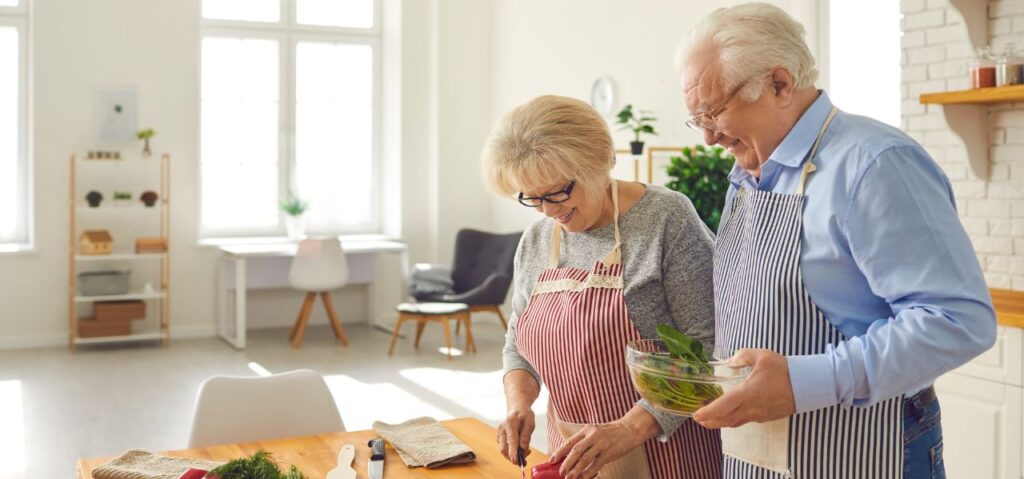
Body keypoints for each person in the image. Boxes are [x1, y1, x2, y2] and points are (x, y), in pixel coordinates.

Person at [674, 3, 997, 478]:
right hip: (757, 454)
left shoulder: (874, 164)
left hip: (870, 446)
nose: (705, 138)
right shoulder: (747, 174)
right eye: (695, 118)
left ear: (779, 84)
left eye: (712, 111)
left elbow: (958, 321)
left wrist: (801, 383)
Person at [482, 95, 722, 479]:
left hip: (668, 456)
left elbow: (707, 350)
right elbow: (518, 347)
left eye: (559, 191)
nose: (549, 211)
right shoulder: (537, 240)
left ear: (598, 163)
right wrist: (518, 404)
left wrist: (629, 428)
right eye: (532, 198)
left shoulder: (666, 219)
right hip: (574, 458)